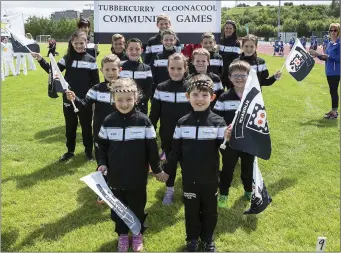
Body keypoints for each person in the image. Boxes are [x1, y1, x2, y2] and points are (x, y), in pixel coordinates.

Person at [97, 78, 169, 252]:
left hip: (137, 176)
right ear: (113, 99)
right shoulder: (108, 121)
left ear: (136, 98)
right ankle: (122, 234)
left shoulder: (144, 121)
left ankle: (137, 234)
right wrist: (102, 163)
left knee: (137, 206)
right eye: (120, 100)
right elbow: (101, 147)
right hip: (115, 176)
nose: (124, 103)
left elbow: (152, 149)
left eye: (129, 99)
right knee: (117, 209)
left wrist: (157, 170)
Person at [163, 74, 226, 252]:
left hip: (210, 178)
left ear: (212, 97)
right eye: (195, 95)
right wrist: (166, 171)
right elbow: (175, 152)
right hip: (189, 177)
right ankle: (192, 239)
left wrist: (229, 139)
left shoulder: (218, 122)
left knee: (210, 211)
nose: (200, 99)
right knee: (191, 211)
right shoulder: (182, 123)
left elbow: (224, 150)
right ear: (187, 96)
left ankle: (208, 239)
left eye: (205, 95)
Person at [32, 30, 100, 162]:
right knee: (70, 126)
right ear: (72, 43)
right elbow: (53, 71)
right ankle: (70, 151)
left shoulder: (91, 60)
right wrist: (41, 59)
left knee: (86, 127)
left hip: (85, 101)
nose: (79, 45)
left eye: (82, 42)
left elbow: (95, 83)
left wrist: (93, 101)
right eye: (76, 43)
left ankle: (88, 153)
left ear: (86, 42)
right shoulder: (67, 58)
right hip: (68, 99)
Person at [65, 54, 120, 204]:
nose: (110, 72)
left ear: (119, 70)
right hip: (101, 133)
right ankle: (103, 191)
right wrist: (74, 98)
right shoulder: (96, 89)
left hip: (120, 133)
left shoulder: (124, 88)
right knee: (102, 160)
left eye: (113, 69)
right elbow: (84, 105)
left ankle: (118, 188)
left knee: (118, 161)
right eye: (107, 69)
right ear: (102, 70)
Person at [149, 53, 191, 204]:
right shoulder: (161, 88)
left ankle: (188, 191)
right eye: (172, 68)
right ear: (167, 68)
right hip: (168, 134)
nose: (175, 71)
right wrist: (150, 130)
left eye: (179, 68)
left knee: (188, 165)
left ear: (185, 68)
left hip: (188, 135)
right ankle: (170, 190)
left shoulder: (191, 87)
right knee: (170, 164)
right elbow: (154, 113)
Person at [213, 60, 255, 208]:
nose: (239, 78)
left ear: (249, 77)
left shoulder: (253, 96)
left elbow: (259, 117)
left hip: (248, 141)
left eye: (243, 75)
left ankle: (249, 191)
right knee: (228, 169)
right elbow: (216, 118)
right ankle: (223, 194)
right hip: (230, 141)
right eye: (235, 75)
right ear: (229, 77)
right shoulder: (224, 97)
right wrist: (224, 129)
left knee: (248, 168)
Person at [310, 23, 340, 119]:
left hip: (336, 72)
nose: (333, 32)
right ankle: (333, 110)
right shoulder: (330, 44)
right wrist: (316, 55)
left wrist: (328, 56)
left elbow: (338, 58)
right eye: (331, 30)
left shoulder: (339, 44)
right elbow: (324, 58)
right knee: (332, 91)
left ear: (338, 31)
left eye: (335, 30)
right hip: (329, 71)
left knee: (334, 91)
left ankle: (334, 112)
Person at [120, 38, 153, 115]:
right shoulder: (121, 67)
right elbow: (116, 86)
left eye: (137, 49)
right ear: (126, 50)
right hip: (124, 105)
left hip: (141, 106)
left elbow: (148, 89)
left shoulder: (146, 68)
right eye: (131, 49)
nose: (134, 52)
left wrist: (137, 99)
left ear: (141, 51)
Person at [151, 29, 177, 98]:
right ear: (162, 41)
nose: (168, 42)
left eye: (171, 40)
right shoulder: (157, 56)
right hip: (160, 90)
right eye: (166, 40)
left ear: (175, 41)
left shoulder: (179, 56)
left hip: (176, 90)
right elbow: (154, 76)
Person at [219, 20, 241, 89]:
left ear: (234, 30)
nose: (228, 30)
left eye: (230, 28)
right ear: (224, 29)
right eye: (226, 28)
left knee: (230, 95)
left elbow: (235, 59)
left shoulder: (236, 43)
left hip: (230, 73)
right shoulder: (220, 41)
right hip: (219, 73)